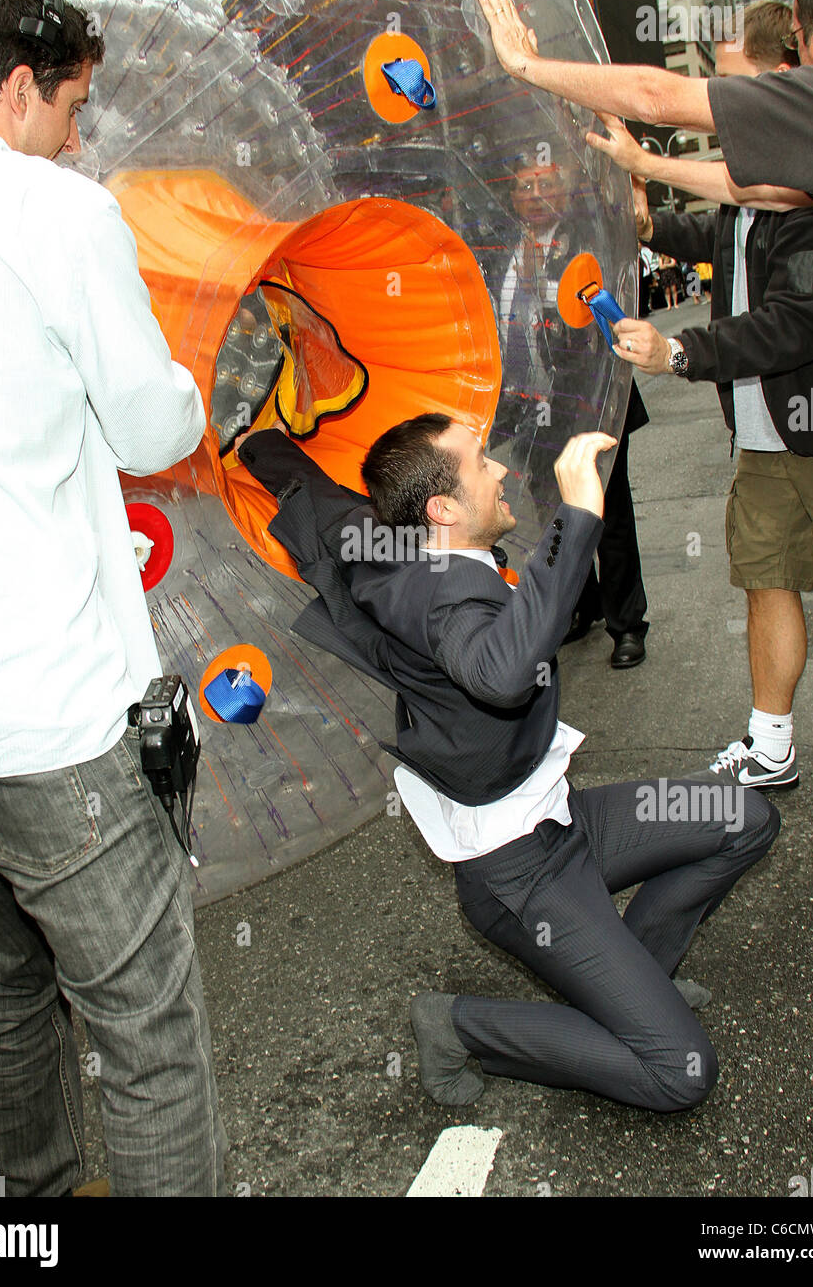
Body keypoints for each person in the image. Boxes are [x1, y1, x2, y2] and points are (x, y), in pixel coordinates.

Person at [0, 0, 227, 1196]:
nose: (80, 135)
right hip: (47, 713)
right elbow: (151, 428)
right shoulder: (57, 213)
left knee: (2, 988)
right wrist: (188, 380)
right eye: (73, 104)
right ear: (18, 86)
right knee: (147, 1028)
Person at [236, 416, 780, 1112]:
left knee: (747, 817)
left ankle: (638, 975)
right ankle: (460, 1026)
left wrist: (250, 438)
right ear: (443, 509)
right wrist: (578, 515)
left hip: (564, 820)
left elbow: (314, 496)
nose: (500, 470)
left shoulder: (382, 539)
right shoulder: (446, 598)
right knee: (680, 1073)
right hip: (520, 875)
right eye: (479, 464)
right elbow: (499, 673)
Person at [602, 0, 813, 791]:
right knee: (768, 580)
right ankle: (771, 744)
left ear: (783, 84)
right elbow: (720, 243)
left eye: (734, 89)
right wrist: (648, 221)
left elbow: (793, 325)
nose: (721, 109)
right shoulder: (746, 183)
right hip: (762, 440)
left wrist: (681, 350)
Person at [477, 0, 813, 406]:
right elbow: (763, 195)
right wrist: (645, 168)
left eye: (799, 36)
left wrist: (528, 66)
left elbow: (656, 97)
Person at [490, 161, 651, 667]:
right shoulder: (507, 258)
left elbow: (603, 323)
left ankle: (627, 624)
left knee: (610, 515)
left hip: (589, 405)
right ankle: (583, 607)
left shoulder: (584, 245)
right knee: (555, 518)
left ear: (564, 192)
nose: (535, 195)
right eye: (524, 187)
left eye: (546, 185)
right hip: (531, 413)